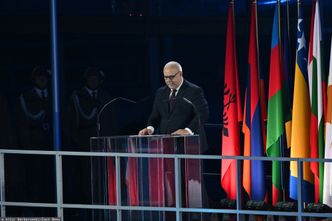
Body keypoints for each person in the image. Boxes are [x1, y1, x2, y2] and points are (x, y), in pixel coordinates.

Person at [138, 61, 209, 148]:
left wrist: (188, 130)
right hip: (166, 145)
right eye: (166, 77)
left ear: (180, 74)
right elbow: (155, 115)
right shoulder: (161, 92)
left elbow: (202, 114)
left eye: (171, 77)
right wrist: (150, 128)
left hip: (190, 145)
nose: (168, 80)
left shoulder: (194, 91)